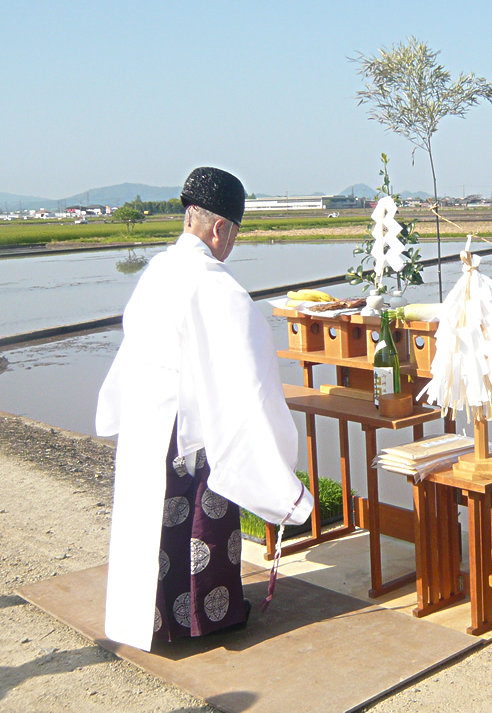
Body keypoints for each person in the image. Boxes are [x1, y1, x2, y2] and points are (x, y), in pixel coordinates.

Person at [96, 167, 312, 651]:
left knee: (152, 530)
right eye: (233, 235)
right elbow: (250, 373)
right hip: (190, 432)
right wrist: (276, 459)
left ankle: (154, 621)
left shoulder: (157, 270)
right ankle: (205, 620)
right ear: (220, 229)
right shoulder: (214, 285)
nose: (230, 246)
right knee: (200, 526)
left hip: (147, 420)